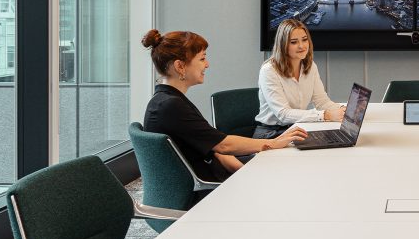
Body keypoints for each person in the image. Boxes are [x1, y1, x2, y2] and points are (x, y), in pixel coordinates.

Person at [141, 29, 307, 184]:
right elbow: (223, 145)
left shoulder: (167, 101)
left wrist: (246, 172)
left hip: (210, 176)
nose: (207, 64)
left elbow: (216, 149)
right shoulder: (171, 106)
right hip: (205, 191)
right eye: (202, 58)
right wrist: (273, 143)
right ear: (180, 66)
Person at [255, 18, 345, 138]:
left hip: (297, 128)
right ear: (283, 45)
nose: (302, 46)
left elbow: (322, 101)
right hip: (271, 133)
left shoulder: (310, 66)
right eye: (294, 42)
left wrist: (344, 110)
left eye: (304, 40)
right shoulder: (269, 70)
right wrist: (326, 115)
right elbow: (283, 114)